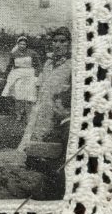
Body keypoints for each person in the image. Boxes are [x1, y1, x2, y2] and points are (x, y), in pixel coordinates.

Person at [18, 27, 72, 199]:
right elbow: (40, 84)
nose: (58, 44)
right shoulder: (48, 63)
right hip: (41, 111)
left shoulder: (72, 65)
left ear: (69, 44)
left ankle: (52, 191)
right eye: (55, 41)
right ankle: (38, 188)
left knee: (54, 153)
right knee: (36, 150)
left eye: (62, 41)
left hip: (59, 116)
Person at [1, 36, 39, 122]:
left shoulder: (32, 53)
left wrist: (37, 76)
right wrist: (5, 76)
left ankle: (29, 116)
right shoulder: (14, 54)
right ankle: (18, 115)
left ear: (26, 45)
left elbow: (38, 65)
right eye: (20, 44)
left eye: (24, 44)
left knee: (29, 96)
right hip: (18, 75)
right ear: (17, 44)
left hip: (30, 75)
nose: (22, 46)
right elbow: (10, 65)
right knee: (18, 96)